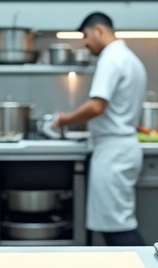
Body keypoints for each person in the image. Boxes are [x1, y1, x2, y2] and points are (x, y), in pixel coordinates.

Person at [51, 12, 148, 246]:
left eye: (85, 36)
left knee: (117, 228)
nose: (84, 43)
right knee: (115, 225)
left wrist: (63, 120)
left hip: (113, 152)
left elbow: (96, 106)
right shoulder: (130, 59)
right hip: (123, 147)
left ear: (99, 30)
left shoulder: (110, 58)